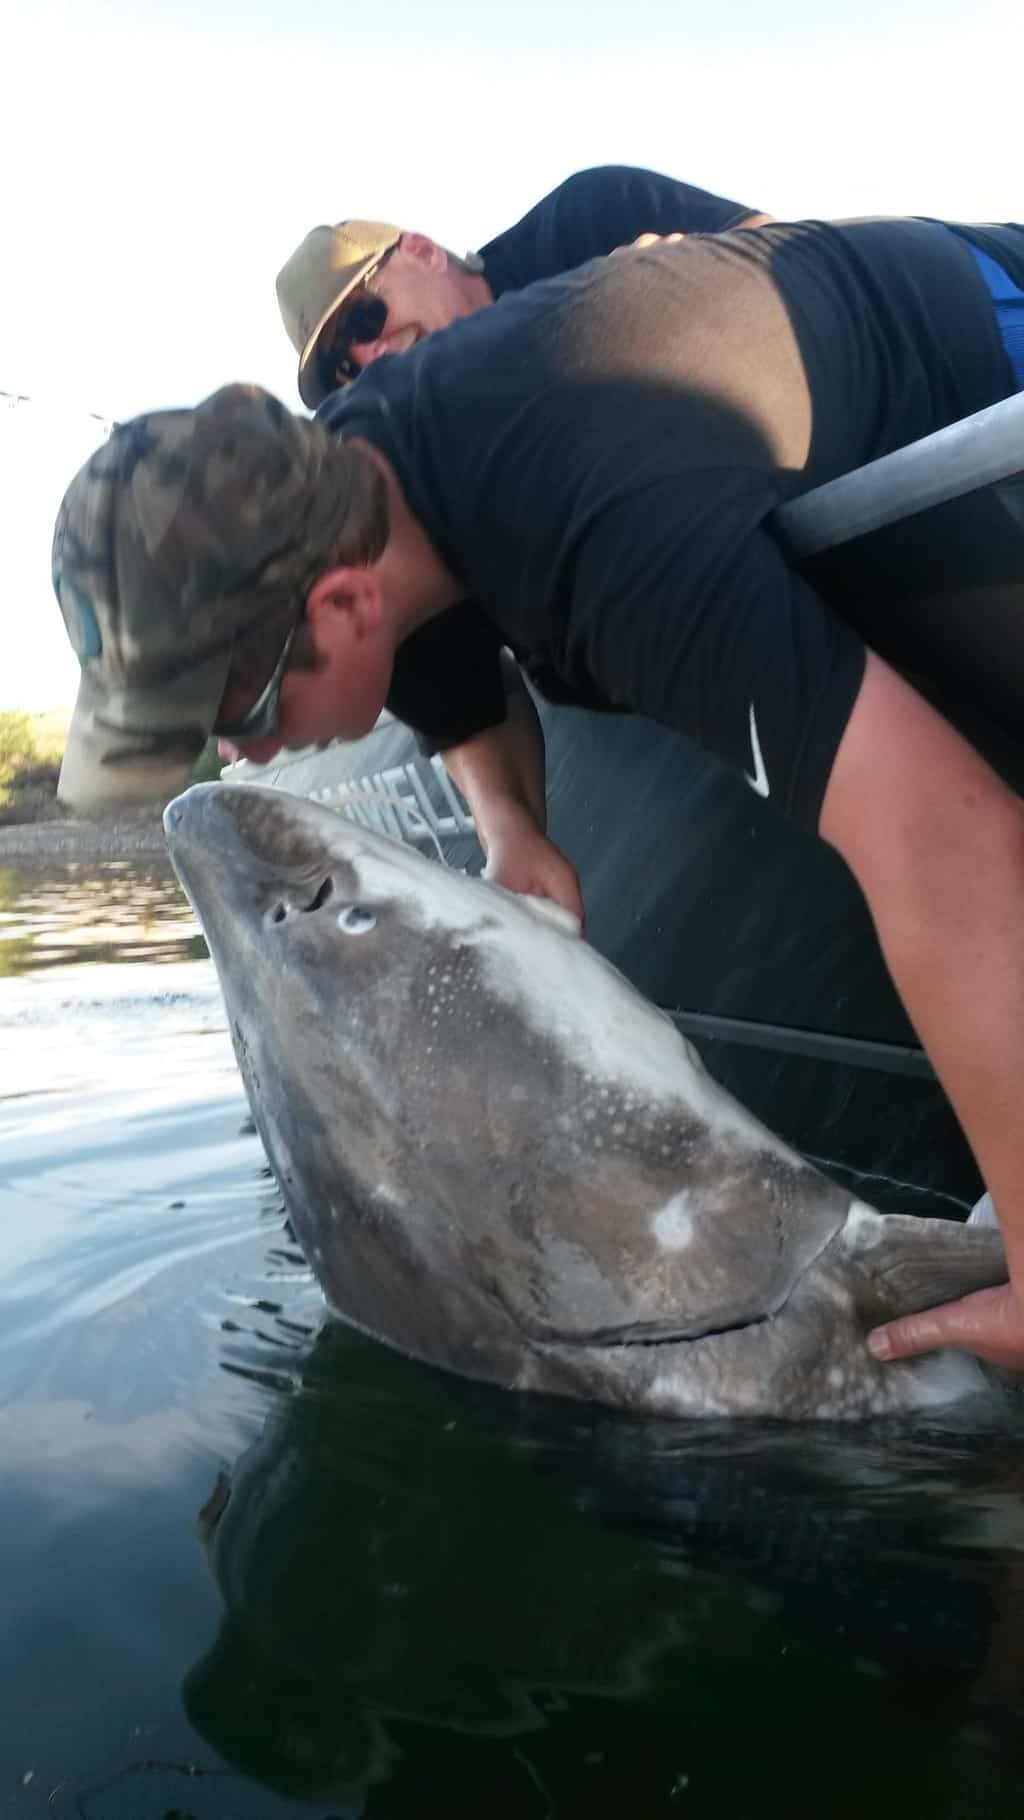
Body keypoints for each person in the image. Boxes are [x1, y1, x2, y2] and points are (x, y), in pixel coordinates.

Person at [51, 213, 1024, 1377]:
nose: (244, 758)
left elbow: (946, 839)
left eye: (240, 714)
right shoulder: (355, 480)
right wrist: (513, 826)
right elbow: (446, 669)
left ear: (343, 608)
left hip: (979, 332)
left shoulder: (599, 531)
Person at [276, 164, 772, 407]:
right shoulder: (446, 451)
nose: (368, 357)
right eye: (344, 366)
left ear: (422, 252)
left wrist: (688, 276)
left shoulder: (585, 215)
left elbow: (783, 247)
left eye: (364, 317)